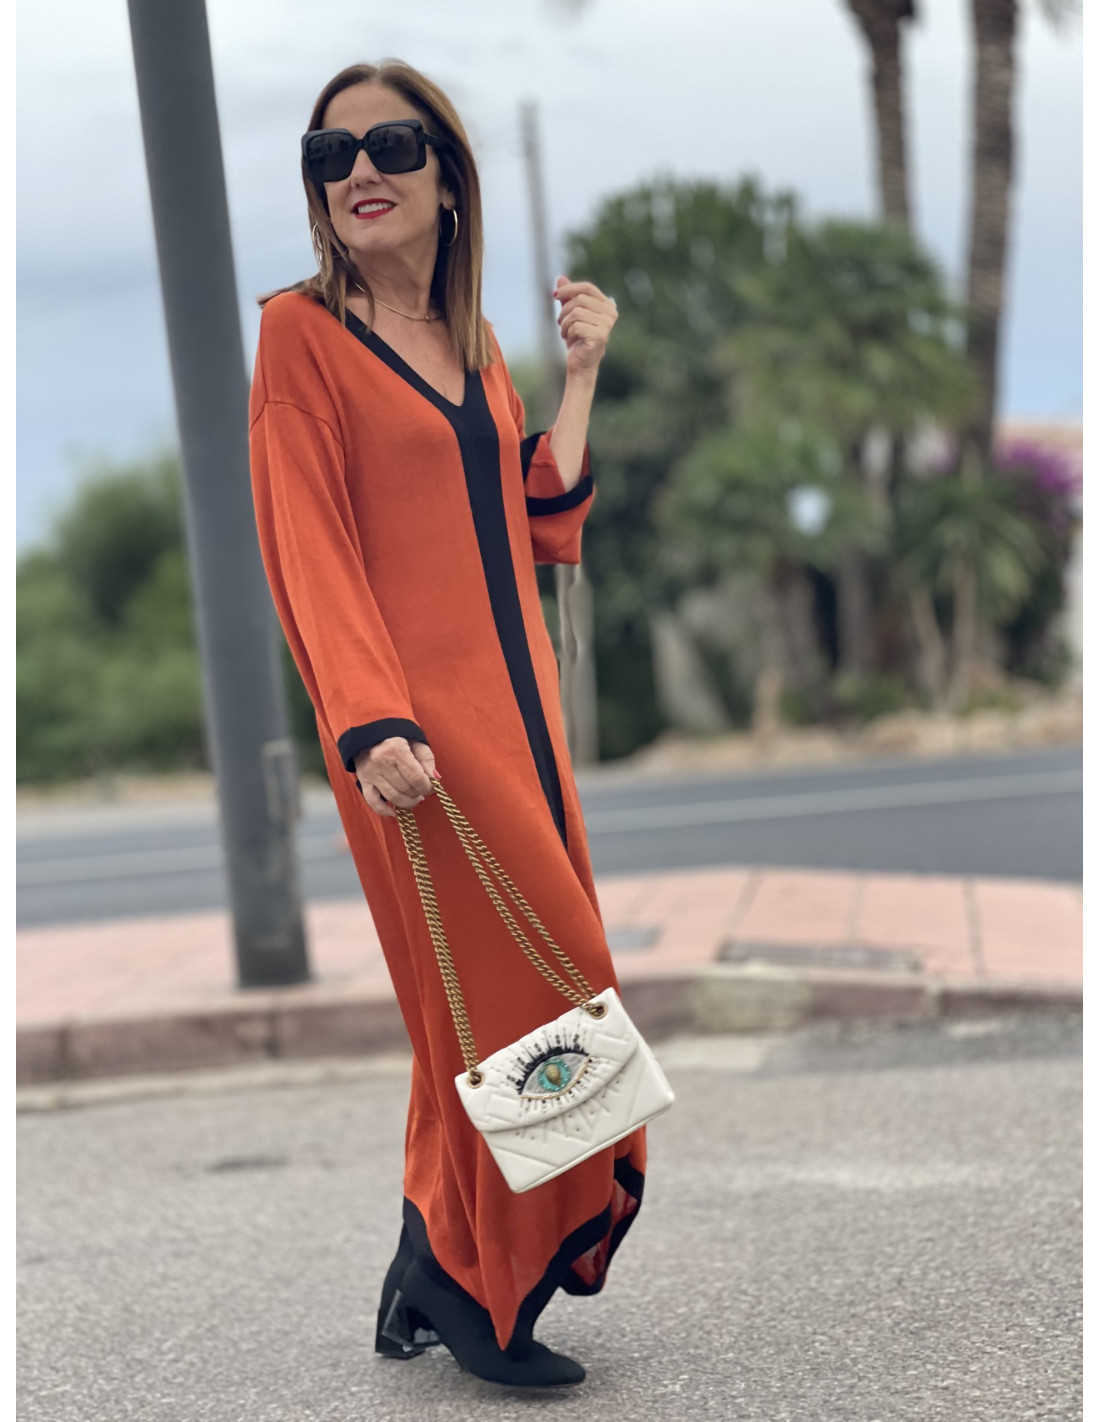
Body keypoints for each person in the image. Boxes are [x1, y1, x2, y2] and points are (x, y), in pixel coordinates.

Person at [248, 59, 645, 1389]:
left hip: (520, 720)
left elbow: (538, 518)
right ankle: (483, 1283)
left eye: (392, 146)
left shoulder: (472, 344)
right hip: (415, 739)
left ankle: (437, 1252)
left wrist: (580, 374)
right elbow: (306, 539)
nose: (360, 171)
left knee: (474, 1004)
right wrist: (367, 722)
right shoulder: (301, 337)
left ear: (448, 176)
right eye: (332, 155)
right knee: (533, 982)